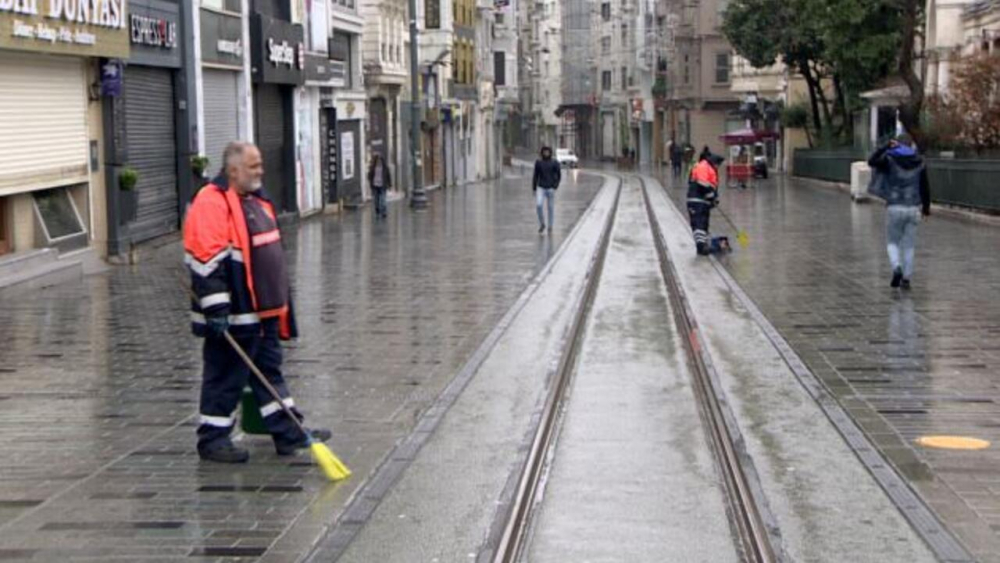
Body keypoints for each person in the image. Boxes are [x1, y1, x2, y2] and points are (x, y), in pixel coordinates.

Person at [183, 141, 330, 463]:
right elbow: (205, 259)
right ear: (233, 170)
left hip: (262, 312)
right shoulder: (212, 201)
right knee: (225, 376)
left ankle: (289, 433)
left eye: (260, 164)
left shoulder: (253, 199)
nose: (261, 171)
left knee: (268, 371)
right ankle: (212, 439)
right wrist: (216, 309)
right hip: (234, 315)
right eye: (253, 166)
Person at [867, 133, 931, 290]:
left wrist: (885, 147)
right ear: (911, 145)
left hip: (894, 206)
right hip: (913, 207)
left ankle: (897, 268)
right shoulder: (920, 162)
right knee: (909, 245)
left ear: (897, 144)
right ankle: (907, 278)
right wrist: (926, 208)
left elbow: (871, 161)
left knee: (892, 242)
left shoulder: (889, 160)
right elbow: (925, 186)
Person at [687, 149, 725, 256]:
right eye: (718, 165)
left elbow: (712, 186)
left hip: (703, 202)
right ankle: (701, 247)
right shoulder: (704, 166)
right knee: (699, 222)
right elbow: (703, 184)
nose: (718, 167)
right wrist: (711, 197)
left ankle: (703, 244)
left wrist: (714, 199)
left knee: (703, 223)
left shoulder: (710, 168)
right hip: (697, 200)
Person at [533, 146, 561, 233]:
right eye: (544, 152)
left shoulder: (554, 163)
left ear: (550, 153)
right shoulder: (538, 162)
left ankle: (550, 226)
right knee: (539, 205)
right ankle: (542, 223)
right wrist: (534, 188)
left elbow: (559, 175)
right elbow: (535, 175)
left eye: (547, 152)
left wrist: (555, 186)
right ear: (542, 153)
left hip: (550, 188)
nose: (546, 153)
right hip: (541, 187)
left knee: (550, 208)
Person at [368, 153, 391, 219]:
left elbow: (388, 176)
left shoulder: (385, 168)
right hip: (375, 185)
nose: (379, 161)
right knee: (376, 200)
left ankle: (384, 212)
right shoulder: (373, 167)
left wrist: (389, 184)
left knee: (383, 199)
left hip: (383, 185)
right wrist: (371, 183)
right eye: (378, 160)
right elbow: (370, 176)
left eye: (380, 160)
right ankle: (377, 210)